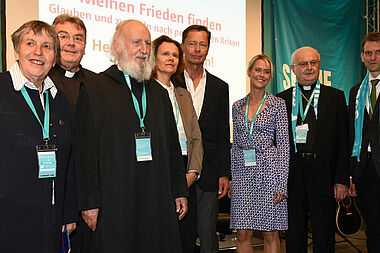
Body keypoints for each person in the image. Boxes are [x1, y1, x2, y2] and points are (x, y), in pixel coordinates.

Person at [75, 20, 189, 253]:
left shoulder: (158, 93)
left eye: (147, 43)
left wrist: (179, 190)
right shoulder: (94, 89)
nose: (144, 49)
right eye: (136, 42)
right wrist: (89, 203)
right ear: (117, 46)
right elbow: (85, 153)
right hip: (114, 201)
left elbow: (172, 148)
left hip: (157, 198)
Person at [0, 20, 77, 252]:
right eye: (30, 43)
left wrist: (68, 211)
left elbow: (69, 160)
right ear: (16, 50)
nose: (38, 52)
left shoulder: (59, 99)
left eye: (46, 46)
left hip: (51, 216)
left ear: (54, 58)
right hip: (8, 215)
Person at [277, 46, 349, 253]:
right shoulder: (280, 99)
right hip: (293, 174)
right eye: (303, 64)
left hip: (324, 174)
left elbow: (343, 142)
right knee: (294, 232)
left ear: (319, 65)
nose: (309, 68)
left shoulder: (335, 97)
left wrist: (342, 180)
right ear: (293, 68)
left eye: (313, 63)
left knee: (324, 232)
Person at [230, 54, 289, 253]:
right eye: (258, 69)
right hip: (243, 175)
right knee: (243, 233)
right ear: (249, 72)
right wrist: (233, 179)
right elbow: (235, 145)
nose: (261, 74)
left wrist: (281, 183)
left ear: (270, 77)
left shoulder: (278, 104)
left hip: (269, 173)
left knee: (270, 232)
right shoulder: (237, 106)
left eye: (266, 71)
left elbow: (283, 147)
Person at [179, 24, 230, 253]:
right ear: (182, 46)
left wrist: (224, 173)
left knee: (208, 232)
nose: (197, 49)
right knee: (181, 230)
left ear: (208, 48)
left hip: (209, 171)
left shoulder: (220, 87)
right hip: (178, 168)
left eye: (202, 44)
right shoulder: (170, 81)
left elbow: (222, 134)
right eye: (192, 43)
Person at [152, 35, 203, 253]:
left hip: (185, 169)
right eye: (165, 54)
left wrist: (192, 172)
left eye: (175, 55)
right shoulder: (144, 92)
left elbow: (195, 137)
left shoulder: (182, 94)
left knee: (186, 235)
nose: (171, 58)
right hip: (156, 168)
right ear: (153, 58)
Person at [348, 32, 380, 252]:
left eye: (378, 52)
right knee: (373, 230)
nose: (372, 57)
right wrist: (351, 174)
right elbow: (351, 135)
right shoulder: (355, 92)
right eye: (368, 53)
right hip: (365, 170)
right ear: (362, 57)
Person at [49, 14, 96, 113]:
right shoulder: (42, 79)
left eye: (78, 38)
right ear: (52, 42)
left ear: (84, 48)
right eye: (63, 36)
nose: (71, 43)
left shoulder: (96, 83)